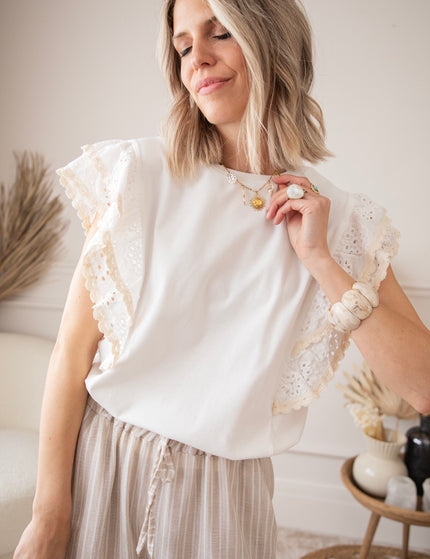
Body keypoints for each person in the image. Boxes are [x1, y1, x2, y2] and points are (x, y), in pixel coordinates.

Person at [14, 0, 430, 558]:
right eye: (184, 46)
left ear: (272, 41)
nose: (198, 60)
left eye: (221, 33)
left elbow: (422, 387)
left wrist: (321, 262)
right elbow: (71, 355)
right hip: (103, 469)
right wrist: (48, 516)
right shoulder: (140, 177)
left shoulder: (341, 222)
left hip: (225, 500)